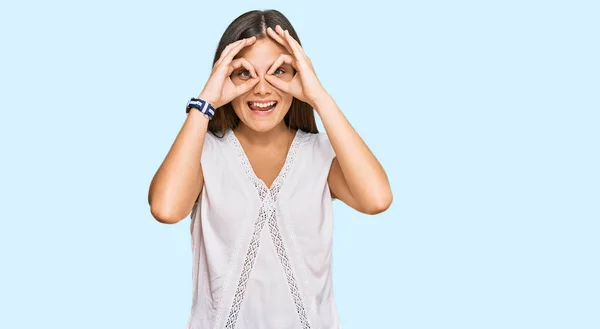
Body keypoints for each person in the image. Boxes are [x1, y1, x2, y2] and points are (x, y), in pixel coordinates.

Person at [148, 9, 392, 329]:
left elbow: (377, 199)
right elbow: (165, 208)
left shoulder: (321, 156)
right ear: (224, 77)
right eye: (244, 73)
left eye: (279, 72)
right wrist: (206, 101)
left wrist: (319, 97)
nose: (262, 89)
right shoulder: (202, 154)